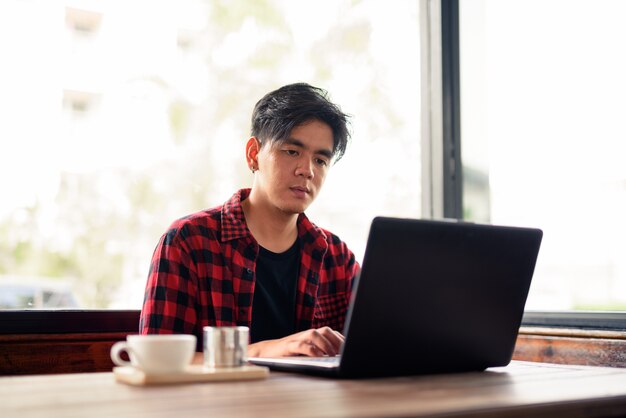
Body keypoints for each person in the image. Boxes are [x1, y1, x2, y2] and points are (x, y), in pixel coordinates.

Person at [139, 82, 359, 358]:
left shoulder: (336, 257)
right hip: (219, 402)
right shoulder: (188, 241)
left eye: (320, 160)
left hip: (308, 402)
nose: (307, 171)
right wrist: (268, 350)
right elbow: (157, 359)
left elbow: (375, 347)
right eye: (292, 151)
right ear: (253, 154)